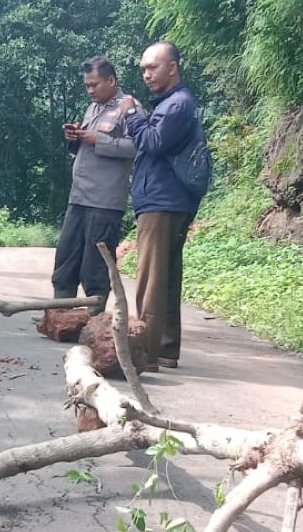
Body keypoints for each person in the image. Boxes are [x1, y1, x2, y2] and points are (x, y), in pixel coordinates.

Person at [119, 42, 207, 370]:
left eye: (153, 67)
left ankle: (145, 353)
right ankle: (166, 348)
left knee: (151, 278)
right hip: (169, 199)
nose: (146, 74)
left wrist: (131, 113)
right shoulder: (174, 103)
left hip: (162, 200)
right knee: (167, 276)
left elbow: (152, 143)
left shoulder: (177, 104)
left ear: (172, 67)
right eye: (143, 68)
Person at [53, 55, 137, 314]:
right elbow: (86, 143)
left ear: (111, 80)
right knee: (67, 255)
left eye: (95, 84)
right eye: (87, 85)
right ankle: (59, 312)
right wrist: (75, 137)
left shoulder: (129, 107)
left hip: (104, 200)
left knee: (96, 264)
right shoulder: (93, 108)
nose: (90, 90)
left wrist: (97, 140)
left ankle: (94, 318)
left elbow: (137, 146)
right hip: (79, 195)